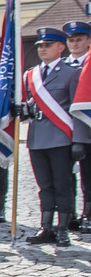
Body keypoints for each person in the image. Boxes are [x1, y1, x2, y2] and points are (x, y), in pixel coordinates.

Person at [22, 27, 81, 245]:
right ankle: (46, 227)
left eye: (48, 45)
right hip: (37, 138)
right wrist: (20, 110)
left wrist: (78, 140)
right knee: (44, 186)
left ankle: (63, 228)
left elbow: (77, 110)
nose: (43, 49)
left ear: (60, 47)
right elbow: (28, 106)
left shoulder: (72, 73)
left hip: (61, 137)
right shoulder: (31, 75)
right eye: (40, 46)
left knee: (62, 184)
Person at [66, 21, 91, 228]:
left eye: (79, 40)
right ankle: (69, 214)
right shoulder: (61, 65)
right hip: (63, 129)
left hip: (87, 128)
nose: (75, 44)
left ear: (88, 41)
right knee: (64, 176)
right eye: (71, 40)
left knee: (88, 175)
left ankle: (88, 213)